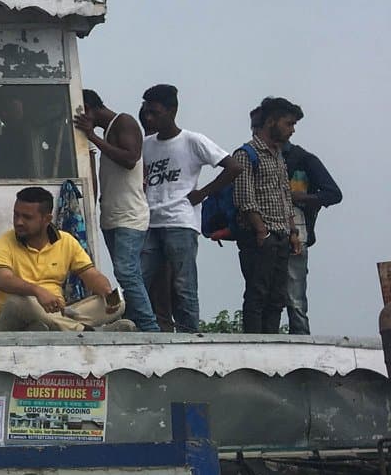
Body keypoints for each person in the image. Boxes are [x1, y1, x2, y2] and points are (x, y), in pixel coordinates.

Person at [139, 84, 238, 333]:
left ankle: (190, 337)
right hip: (150, 221)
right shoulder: (146, 144)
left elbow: (234, 167)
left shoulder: (192, 141)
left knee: (183, 285)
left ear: (172, 111)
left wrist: (203, 193)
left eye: (155, 113)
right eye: (147, 112)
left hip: (180, 222)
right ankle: (148, 332)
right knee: (142, 280)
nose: (149, 118)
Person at [0, 187, 132, 331]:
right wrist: (37, 291)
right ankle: (86, 332)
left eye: (27, 217)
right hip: (15, 319)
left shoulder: (66, 241)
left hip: (57, 313)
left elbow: (91, 275)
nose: (19, 222)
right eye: (16, 215)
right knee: (18, 302)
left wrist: (106, 292)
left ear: (47, 219)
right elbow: (3, 280)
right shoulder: (2, 244)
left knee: (119, 303)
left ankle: (64, 326)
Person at [72, 89, 157, 332]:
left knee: (127, 272)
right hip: (112, 215)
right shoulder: (109, 131)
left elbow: (131, 158)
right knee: (126, 273)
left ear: (89, 108)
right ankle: (135, 321)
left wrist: (92, 137)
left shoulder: (124, 122)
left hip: (129, 216)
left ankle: (150, 328)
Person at [223, 98, 305, 335]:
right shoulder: (246, 154)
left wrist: (293, 232)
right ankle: (255, 343)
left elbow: (285, 196)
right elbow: (244, 198)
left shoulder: (277, 155)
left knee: (277, 297)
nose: (292, 130)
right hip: (259, 236)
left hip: (281, 235)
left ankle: (271, 342)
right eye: (288, 123)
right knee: (257, 293)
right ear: (271, 122)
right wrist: (261, 231)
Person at [282, 128, 342, 336]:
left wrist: (301, 198)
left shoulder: (303, 159)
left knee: (295, 295)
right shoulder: (256, 157)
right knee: (271, 296)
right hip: (268, 231)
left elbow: (333, 193)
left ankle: (300, 340)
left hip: (298, 229)